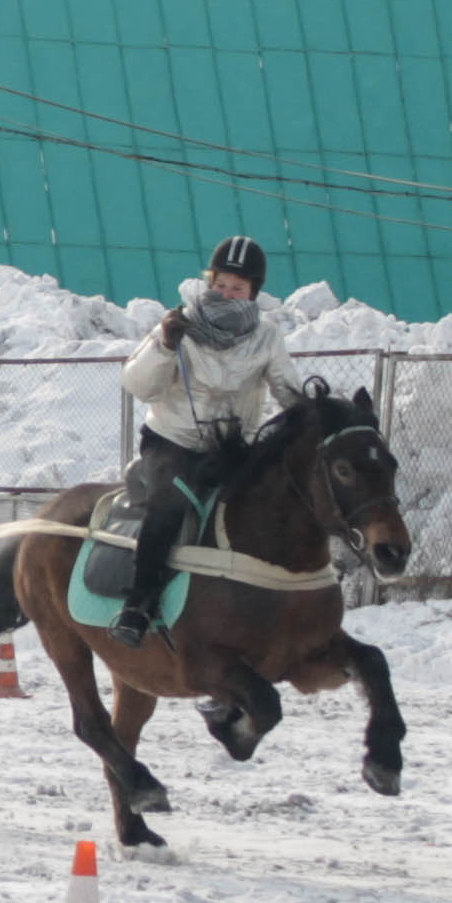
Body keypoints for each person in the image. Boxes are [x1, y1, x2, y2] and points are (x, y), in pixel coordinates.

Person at [109, 234, 300, 648]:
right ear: (209, 281)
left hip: (231, 448)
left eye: (238, 287)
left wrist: (312, 418)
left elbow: (288, 390)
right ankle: (139, 604)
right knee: (170, 502)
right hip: (171, 442)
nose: (227, 293)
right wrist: (164, 345)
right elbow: (137, 384)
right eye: (221, 284)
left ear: (253, 292)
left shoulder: (267, 337)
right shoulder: (178, 322)